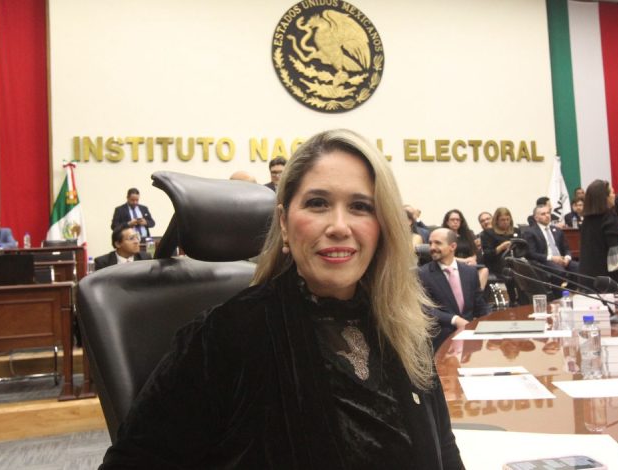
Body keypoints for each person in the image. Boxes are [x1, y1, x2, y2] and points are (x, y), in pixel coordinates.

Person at [100, 129, 463, 469]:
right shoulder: (223, 336)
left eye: (361, 207)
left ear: (383, 226)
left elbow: (444, 449)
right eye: (318, 203)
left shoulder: (404, 324)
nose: (339, 226)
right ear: (285, 223)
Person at [419, 228, 489, 351]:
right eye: (430, 243)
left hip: (470, 338)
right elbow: (424, 308)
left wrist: (490, 323)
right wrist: (454, 320)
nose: (432, 247)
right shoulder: (423, 273)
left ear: (452, 246)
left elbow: (480, 304)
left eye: (437, 243)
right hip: (440, 339)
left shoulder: (470, 272)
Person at [578, 180, 618, 291]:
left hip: (590, 280)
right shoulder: (608, 218)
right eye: (612, 192)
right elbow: (617, 250)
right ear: (604, 197)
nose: (614, 195)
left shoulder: (586, 221)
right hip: (609, 281)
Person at [522, 204, 578, 282]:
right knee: (560, 271)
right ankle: (558, 290)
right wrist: (552, 258)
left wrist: (567, 258)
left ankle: (574, 289)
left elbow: (566, 248)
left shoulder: (557, 230)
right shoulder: (530, 232)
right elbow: (531, 254)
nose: (547, 216)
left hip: (562, 260)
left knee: (579, 267)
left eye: (548, 213)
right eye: (543, 214)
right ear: (536, 218)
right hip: (545, 261)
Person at [480, 207, 522, 303]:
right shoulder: (488, 233)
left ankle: (524, 300)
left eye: (507, 219)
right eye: (502, 220)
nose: (506, 222)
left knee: (526, 269)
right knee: (510, 272)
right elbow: (487, 255)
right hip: (497, 262)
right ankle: (513, 300)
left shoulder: (516, 231)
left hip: (516, 260)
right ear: (496, 220)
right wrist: (500, 247)